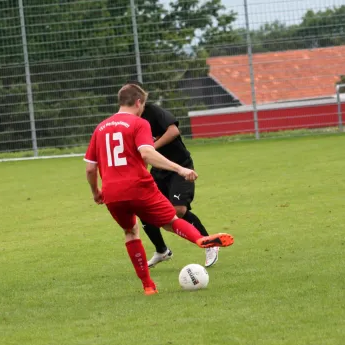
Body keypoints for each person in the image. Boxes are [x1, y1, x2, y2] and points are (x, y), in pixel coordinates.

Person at [84, 84, 233, 295]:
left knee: (130, 231)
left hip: (112, 193)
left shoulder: (100, 128)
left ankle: (148, 286)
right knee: (171, 221)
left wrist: (95, 192)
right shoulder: (139, 122)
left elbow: (90, 168)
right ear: (138, 102)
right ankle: (200, 239)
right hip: (139, 187)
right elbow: (146, 152)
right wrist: (180, 169)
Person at [126, 81, 218, 269]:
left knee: (178, 210)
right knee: (144, 209)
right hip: (158, 171)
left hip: (179, 166)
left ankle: (210, 244)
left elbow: (174, 130)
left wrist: (151, 148)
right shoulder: (128, 121)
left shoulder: (153, 112)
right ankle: (162, 251)